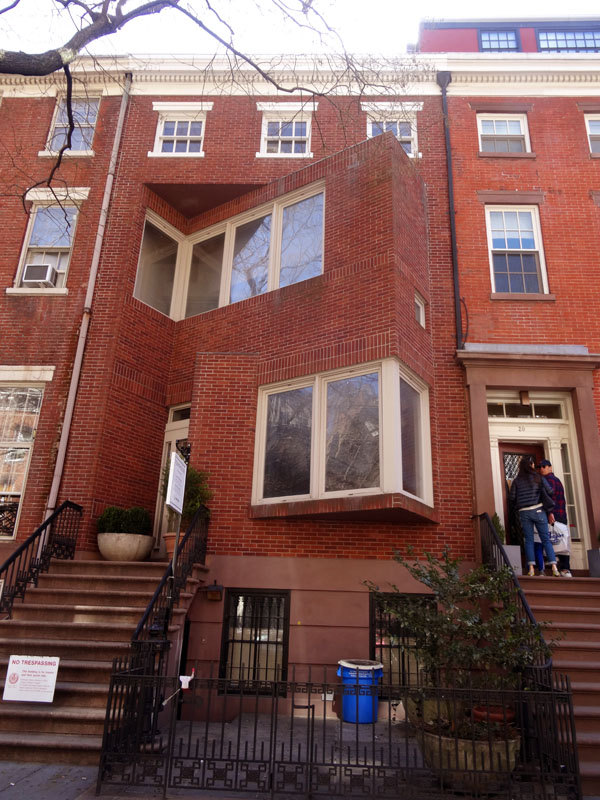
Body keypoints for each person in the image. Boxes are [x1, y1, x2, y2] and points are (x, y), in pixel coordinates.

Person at [509, 456, 560, 577]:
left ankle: (531, 569)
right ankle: (554, 567)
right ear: (531, 465)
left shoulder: (516, 481)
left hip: (524, 512)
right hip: (538, 510)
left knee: (529, 541)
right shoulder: (538, 478)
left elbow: (512, 498)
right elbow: (550, 491)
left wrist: (519, 504)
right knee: (545, 539)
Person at [539, 459, 572, 577]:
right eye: (540, 467)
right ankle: (565, 569)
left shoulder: (549, 480)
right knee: (561, 539)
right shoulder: (557, 480)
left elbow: (550, 497)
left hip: (553, 514)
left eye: (544, 466)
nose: (541, 468)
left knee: (552, 538)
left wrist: (549, 512)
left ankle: (556, 566)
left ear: (550, 467)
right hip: (561, 514)